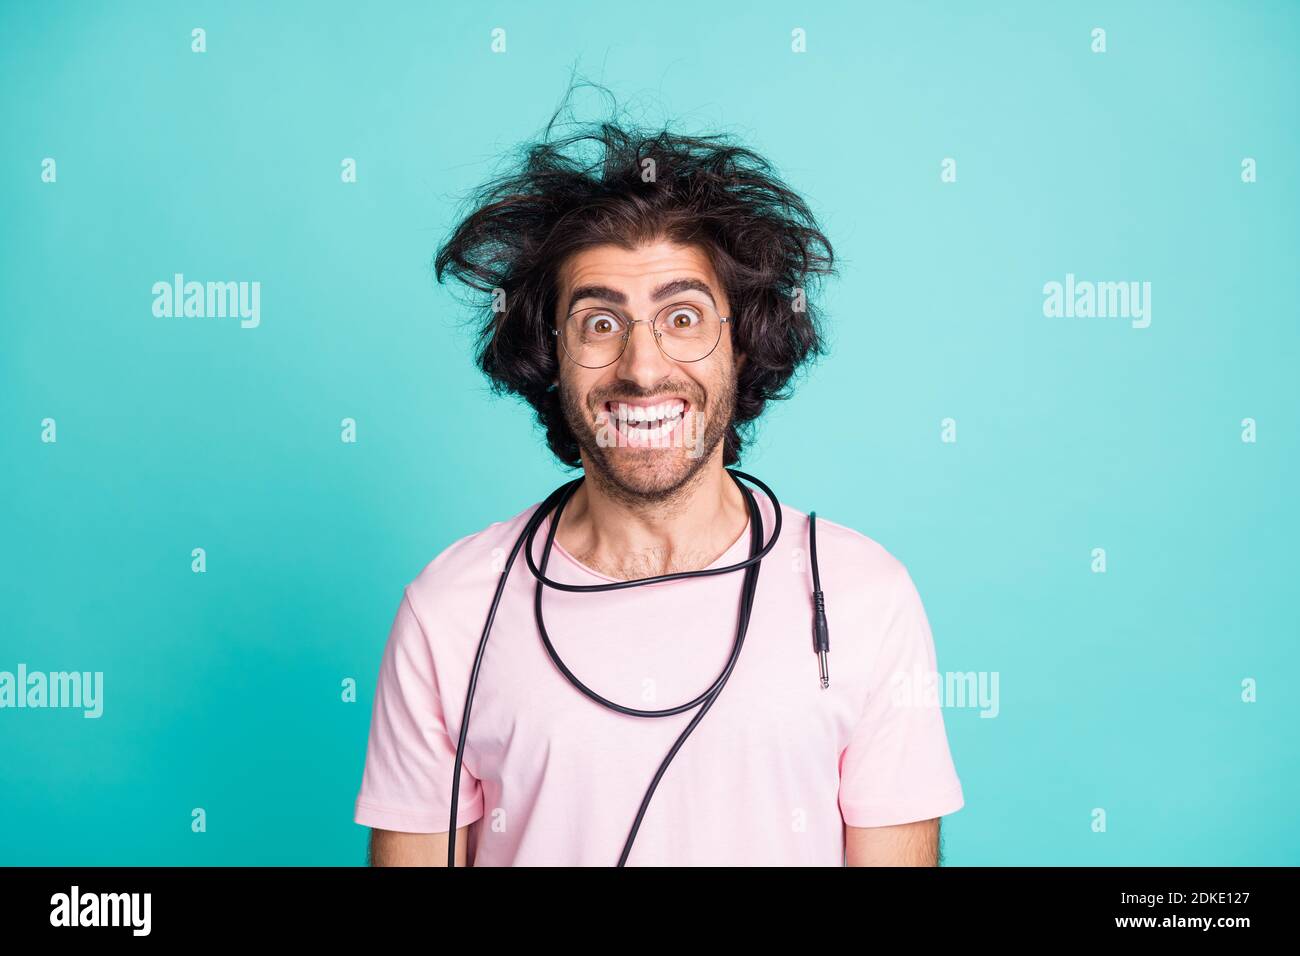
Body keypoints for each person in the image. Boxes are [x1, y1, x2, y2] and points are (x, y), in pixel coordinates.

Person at [353, 91, 965, 866]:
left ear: (742, 346)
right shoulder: (449, 612)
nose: (643, 369)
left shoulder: (863, 595)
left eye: (683, 318)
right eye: (599, 324)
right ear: (550, 355)